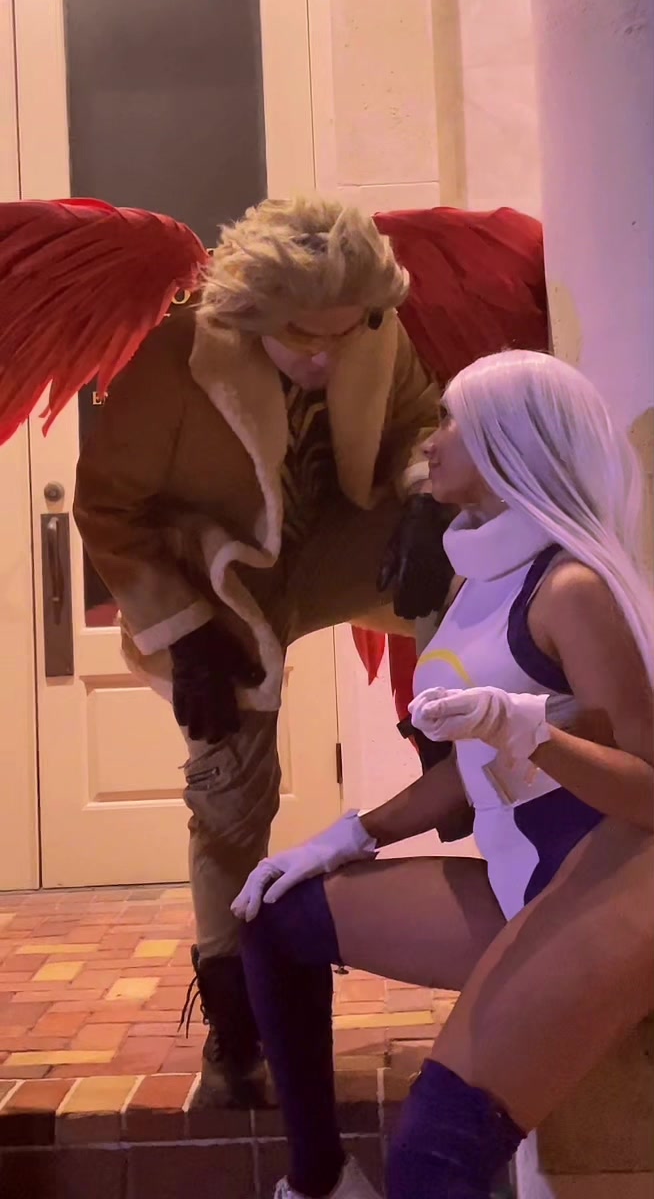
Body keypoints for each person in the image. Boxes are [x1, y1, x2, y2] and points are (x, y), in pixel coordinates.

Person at [232, 348, 654, 1199]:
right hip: (519, 883)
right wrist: (349, 836)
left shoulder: (571, 587)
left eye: (455, 419)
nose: (433, 439)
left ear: (512, 440)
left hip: (603, 892)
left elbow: (646, 789)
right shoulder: (484, 578)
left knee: (433, 1156)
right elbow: (472, 768)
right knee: (279, 917)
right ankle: (321, 1183)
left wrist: (529, 734)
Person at [71, 196, 453, 1106]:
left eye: (344, 331)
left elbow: (417, 424)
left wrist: (425, 502)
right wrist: (180, 628)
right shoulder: (176, 359)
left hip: (336, 542)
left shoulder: (374, 332)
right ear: (250, 314)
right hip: (219, 579)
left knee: (475, 549)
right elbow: (107, 506)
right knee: (231, 791)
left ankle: (449, 739)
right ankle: (235, 1034)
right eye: (301, 337)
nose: (325, 356)